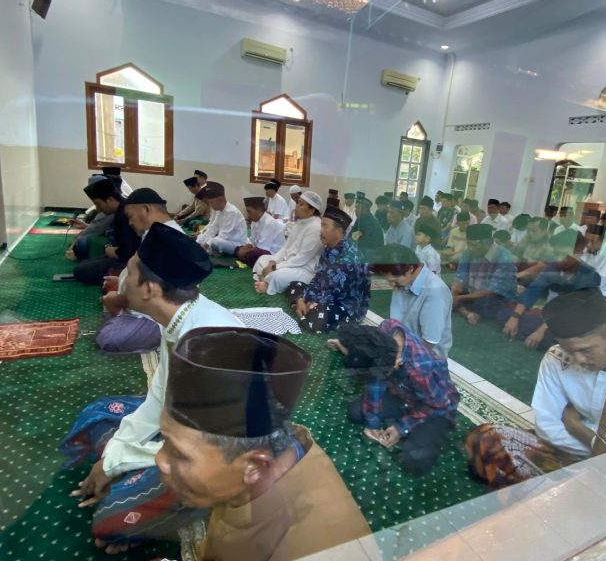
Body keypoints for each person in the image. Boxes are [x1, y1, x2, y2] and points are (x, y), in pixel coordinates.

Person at [60, 223, 244, 553]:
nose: (122, 279)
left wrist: (114, 462)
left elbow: (198, 446)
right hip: (181, 424)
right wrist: (117, 455)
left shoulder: (204, 344)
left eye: (129, 272)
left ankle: (189, 499)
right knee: (98, 415)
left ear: (148, 289)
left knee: (109, 523)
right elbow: (159, 396)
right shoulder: (178, 318)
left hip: (218, 452)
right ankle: (136, 482)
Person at [156, 327, 371, 560]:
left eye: (179, 453)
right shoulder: (262, 462)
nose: (159, 460)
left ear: (255, 466)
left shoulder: (314, 548)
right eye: (165, 440)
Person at [466, 289, 606, 488]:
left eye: (585, 350)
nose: (579, 359)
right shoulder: (557, 358)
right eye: (570, 351)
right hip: (568, 449)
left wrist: (575, 426)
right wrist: (589, 446)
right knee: (485, 439)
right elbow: (547, 427)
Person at [334, 320, 460, 475]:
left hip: (436, 407)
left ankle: (419, 430)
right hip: (401, 395)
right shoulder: (384, 334)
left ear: (397, 362)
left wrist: (401, 428)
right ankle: (406, 426)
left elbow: (439, 405)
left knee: (415, 462)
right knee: (355, 412)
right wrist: (372, 424)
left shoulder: (421, 369)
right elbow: (375, 381)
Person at [97, 188, 184, 354]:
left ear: (145, 209)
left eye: (130, 216)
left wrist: (116, 300)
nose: (129, 222)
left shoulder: (164, 239)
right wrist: (121, 281)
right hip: (147, 302)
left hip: (161, 315)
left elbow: (153, 295)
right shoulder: (154, 233)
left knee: (109, 339)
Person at [502, 230, 602, 350]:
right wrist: (514, 317)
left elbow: (569, 308)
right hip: (553, 313)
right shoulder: (553, 267)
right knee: (505, 314)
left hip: (576, 319)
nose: (559, 259)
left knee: (552, 335)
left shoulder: (589, 275)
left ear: (579, 252)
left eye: (564, 254)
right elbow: (532, 291)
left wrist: (541, 330)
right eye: (557, 254)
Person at [286, 206, 371, 333]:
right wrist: (302, 299)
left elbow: (334, 294)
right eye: (321, 225)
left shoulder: (349, 258)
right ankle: (303, 309)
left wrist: (311, 303)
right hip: (326, 294)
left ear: (339, 231)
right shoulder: (329, 248)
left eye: (325, 226)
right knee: (293, 285)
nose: (321, 230)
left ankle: (305, 311)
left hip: (346, 306)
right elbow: (318, 278)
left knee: (318, 318)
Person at [369, 244, 453, 358]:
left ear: (410, 269)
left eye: (394, 281)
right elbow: (397, 322)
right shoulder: (404, 281)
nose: (392, 285)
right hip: (401, 344)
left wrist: (399, 355)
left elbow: (430, 342)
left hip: (425, 356)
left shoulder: (435, 292)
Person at [253, 192, 324, 295]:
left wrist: (275, 267)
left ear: (311, 210)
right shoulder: (300, 222)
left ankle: (267, 283)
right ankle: (266, 279)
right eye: (298, 203)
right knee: (262, 259)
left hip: (303, 268)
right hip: (288, 262)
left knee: (279, 275)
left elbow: (301, 259)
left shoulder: (315, 227)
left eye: (301, 204)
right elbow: (285, 247)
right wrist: (273, 262)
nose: (297, 206)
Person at [73, 179, 140, 286]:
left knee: (81, 271)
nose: (98, 208)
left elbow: (127, 252)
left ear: (110, 199)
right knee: (84, 264)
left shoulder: (124, 214)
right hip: (120, 254)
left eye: (98, 204)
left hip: (130, 261)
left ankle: (123, 277)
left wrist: (113, 251)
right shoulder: (120, 210)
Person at [451, 223, 519, 325]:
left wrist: (458, 298)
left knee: (487, 304)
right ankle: (468, 313)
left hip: (494, 298)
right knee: (445, 290)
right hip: (471, 292)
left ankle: (463, 309)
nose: (470, 248)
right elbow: (459, 278)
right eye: (468, 244)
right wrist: (453, 295)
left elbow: (491, 292)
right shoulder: (468, 252)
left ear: (487, 243)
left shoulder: (504, 258)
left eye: (473, 245)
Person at [195, 182, 248, 257]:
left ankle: (212, 251)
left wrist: (206, 244)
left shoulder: (231, 212)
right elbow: (213, 228)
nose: (210, 205)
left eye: (212, 202)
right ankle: (213, 251)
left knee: (215, 242)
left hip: (237, 244)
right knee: (203, 238)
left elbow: (224, 236)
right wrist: (198, 241)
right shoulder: (220, 210)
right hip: (226, 240)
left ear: (221, 199)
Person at [236, 197, 286, 268]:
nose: (248, 215)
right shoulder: (254, 221)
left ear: (259, 210)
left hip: (274, 253)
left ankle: (247, 259)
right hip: (261, 249)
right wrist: (243, 250)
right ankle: (246, 258)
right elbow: (252, 241)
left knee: (253, 254)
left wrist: (245, 252)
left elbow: (262, 248)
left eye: (249, 211)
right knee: (238, 249)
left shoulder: (269, 222)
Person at [580, 224, 606, 304]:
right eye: (586, 240)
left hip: (605, 296)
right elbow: (579, 268)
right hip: (588, 292)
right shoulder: (588, 249)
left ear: (603, 240)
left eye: (592, 240)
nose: (588, 244)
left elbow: (600, 280)